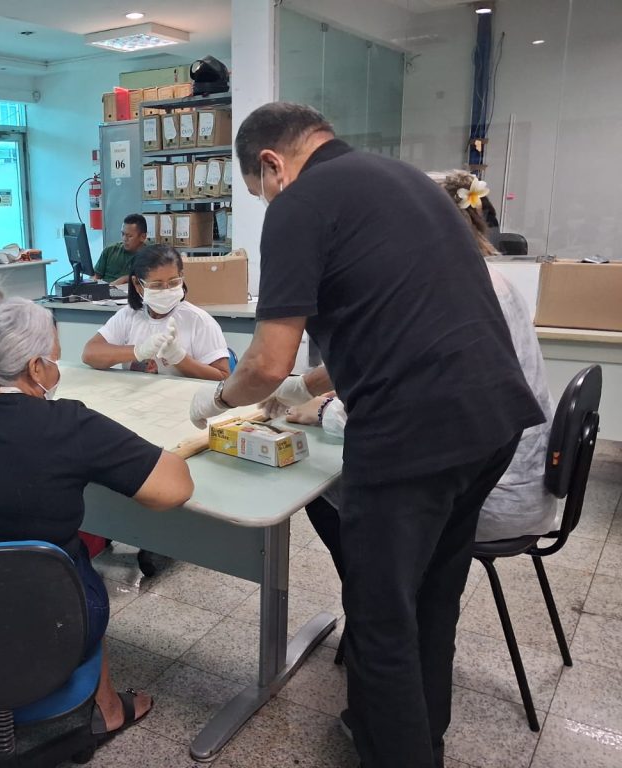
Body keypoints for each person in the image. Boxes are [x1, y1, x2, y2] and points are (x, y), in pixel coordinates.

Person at [187, 103, 545, 768]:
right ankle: (418, 738)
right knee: (432, 597)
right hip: (491, 423)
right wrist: (308, 387)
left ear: (271, 163)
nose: (267, 202)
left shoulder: (300, 203)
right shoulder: (409, 182)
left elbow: (264, 361)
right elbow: (396, 320)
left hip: (415, 436)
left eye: (260, 191)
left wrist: (215, 400)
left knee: (380, 621)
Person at [0, 297, 194, 743]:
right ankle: (107, 709)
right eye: (54, 358)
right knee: (74, 560)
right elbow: (173, 489)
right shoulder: (70, 424)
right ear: (36, 367)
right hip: (42, 619)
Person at [281, 170, 555, 589]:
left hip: (483, 496)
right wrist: (305, 386)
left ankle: (380, 603)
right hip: (515, 479)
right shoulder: (486, 281)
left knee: (323, 492)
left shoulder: (445, 292)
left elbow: (402, 420)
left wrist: (322, 410)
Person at [82, 244, 230, 381]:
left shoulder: (199, 321)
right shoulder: (129, 315)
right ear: (137, 284)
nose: (166, 290)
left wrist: (179, 358)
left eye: (173, 282)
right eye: (157, 285)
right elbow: (89, 354)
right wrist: (138, 351)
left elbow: (222, 377)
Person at [91, 213, 148, 285]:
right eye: (123, 234)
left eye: (129, 236)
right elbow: (95, 275)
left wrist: (125, 279)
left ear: (143, 237)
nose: (124, 239)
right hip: (105, 289)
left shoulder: (151, 257)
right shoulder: (110, 250)